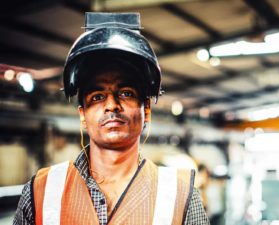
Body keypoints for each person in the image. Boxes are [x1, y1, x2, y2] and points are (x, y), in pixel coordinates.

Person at [13, 12, 209, 225]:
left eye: (126, 93)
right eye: (97, 97)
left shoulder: (180, 196)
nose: (111, 105)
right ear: (83, 115)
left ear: (146, 110)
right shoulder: (42, 190)